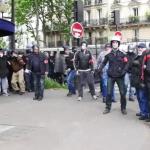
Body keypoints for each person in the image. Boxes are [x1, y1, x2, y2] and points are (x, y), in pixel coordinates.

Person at [99, 36, 129, 115]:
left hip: (120, 76)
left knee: (122, 93)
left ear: (118, 44)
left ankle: (123, 108)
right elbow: (104, 62)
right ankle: (107, 108)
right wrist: (99, 69)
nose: (114, 44)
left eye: (116, 42)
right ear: (111, 44)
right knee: (108, 93)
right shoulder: (109, 54)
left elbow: (127, 64)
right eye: (113, 42)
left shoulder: (122, 54)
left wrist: (124, 71)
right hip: (111, 76)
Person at [130, 43, 149, 120]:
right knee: (139, 97)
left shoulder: (145, 57)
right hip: (136, 80)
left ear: (145, 48)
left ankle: (145, 113)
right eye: (139, 48)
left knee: (143, 98)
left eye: (142, 48)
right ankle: (142, 111)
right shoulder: (136, 56)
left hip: (142, 81)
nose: (140, 49)